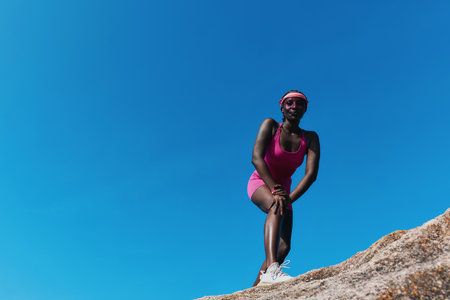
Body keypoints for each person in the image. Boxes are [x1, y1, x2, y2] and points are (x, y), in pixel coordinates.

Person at [247, 90, 320, 286]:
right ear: (282, 107)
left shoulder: (311, 138)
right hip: (261, 182)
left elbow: (311, 175)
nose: (294, 107)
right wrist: (275, 190)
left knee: (284, 246)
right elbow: (256, 158)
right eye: (289, 103)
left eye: (299, 104)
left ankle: (255, 291)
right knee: (275, 207)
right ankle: (272, 271)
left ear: (305, 109)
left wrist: (289, 197)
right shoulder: (270, 125)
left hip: (285, 193)